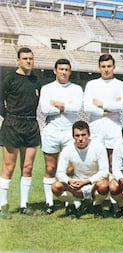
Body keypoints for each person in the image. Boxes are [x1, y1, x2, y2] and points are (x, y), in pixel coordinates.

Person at [0, 47, 41, 219]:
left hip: (31, 124)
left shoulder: (36, 80)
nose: (28, 61)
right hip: (13, 124)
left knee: (28, 167)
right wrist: (7, 117)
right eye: (25, 58)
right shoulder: (9, 79)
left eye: (31, 58)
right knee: (9, 167)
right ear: (18, 60)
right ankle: (2, 206)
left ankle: (24, 205)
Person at [39, 58, 83, 214]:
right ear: (55, 71)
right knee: (50, 168)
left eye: (66, 69)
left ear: (70, 71)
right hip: (51, 131)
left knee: (70, 169)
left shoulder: (76, 89)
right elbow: (44, 109)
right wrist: (66, 107)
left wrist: (57, 104)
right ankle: (49, 203)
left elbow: (77, 108)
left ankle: (69, 203)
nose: (64, 72)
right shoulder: (47, 88)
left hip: (69, 132)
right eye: (61, 69)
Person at [52, 121, 109, 218]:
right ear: (73, 136)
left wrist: (87, 181)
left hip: (94, 184)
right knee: (55, 186)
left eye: (83, 135)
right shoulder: (68, 149)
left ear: (89, 135)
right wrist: (69, 181)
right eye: (77, 136)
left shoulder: (98, 147)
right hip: (77, 185)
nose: (80, 139)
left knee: (104, 185)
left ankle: (97, 205)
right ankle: (73, 205)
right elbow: (59, 172)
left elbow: (104, 171)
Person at [83, 53, 123, 171]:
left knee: (114, 164)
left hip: (114, 127)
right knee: (95, 164)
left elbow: (121, 106)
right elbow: (87, 106)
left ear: (114, 67)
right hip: (95, 127)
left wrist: (101, 104)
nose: (106, 69)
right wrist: (105, 111)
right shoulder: (91, 84)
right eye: (103, 66)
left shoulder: (120, 85)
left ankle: (113, 188)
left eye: (109, 66)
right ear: (99, 67)